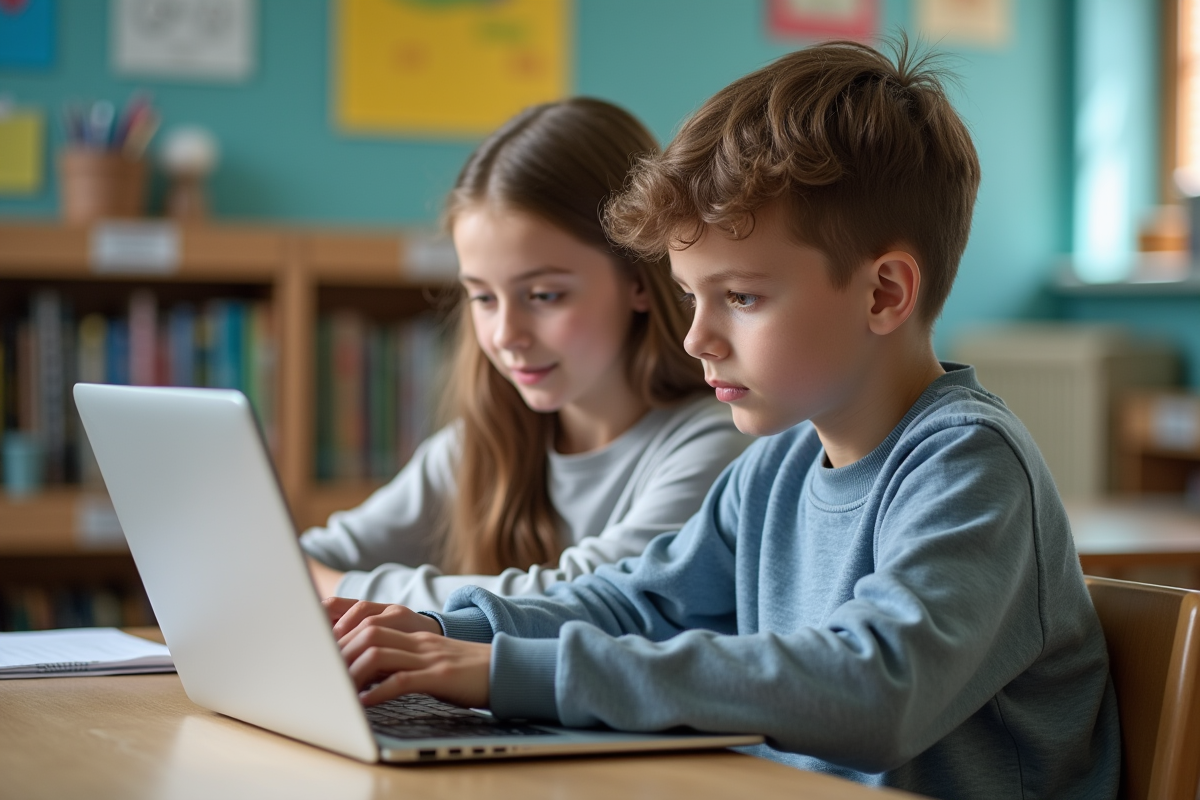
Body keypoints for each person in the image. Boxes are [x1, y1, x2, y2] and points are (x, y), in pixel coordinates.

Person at [324, 39, 1121, 799]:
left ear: (884, 293)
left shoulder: (969, 466)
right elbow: (632, 602)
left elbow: (876, 688)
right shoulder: (775, 466)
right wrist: (432, 630)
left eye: (739, 297)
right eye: (689, 295)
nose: (695, 337)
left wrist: (504, 671)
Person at [302, 98, 750, 612]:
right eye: (483, 298)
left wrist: (335, 587)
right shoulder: (482, 443)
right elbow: (298, 560)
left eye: (543, 296)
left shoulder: (717, 444)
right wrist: (309, 576)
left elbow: (580, 598)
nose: (506, 334)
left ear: (639, 280)